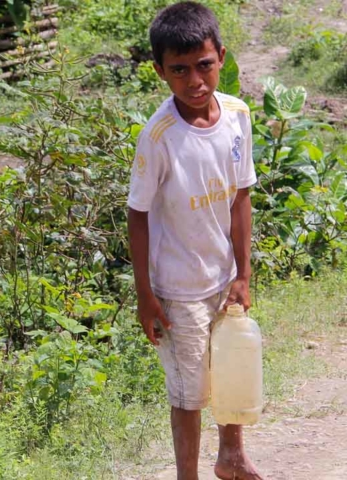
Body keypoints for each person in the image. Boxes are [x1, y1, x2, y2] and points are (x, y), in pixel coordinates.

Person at [126, 2, 263, 480]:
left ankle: (232, 456)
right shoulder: (159, 136)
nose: (194, 80)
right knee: (189, 391)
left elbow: (241, 196)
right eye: (179, 70)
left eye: (204, 65)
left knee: (230, 369)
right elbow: (138, 215)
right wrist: (146, 295)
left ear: (221, 56)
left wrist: (242, 274)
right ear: (160, 71)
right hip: (178, 288)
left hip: (223, 276)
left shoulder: (238, 116)